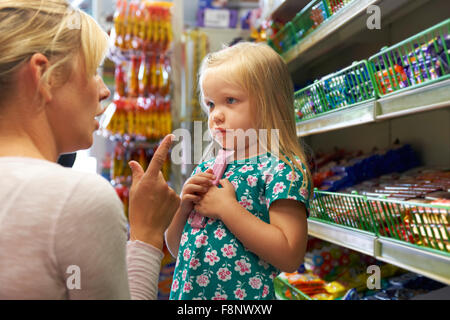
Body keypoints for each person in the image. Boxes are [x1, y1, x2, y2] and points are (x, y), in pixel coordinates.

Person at [0, 0, 179, 299]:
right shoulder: (75, 200)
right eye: (93, 71)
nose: (104, 91)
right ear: (44, 76)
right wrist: (147, 235)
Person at [166, 42, 313, 300]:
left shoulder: (281, 170)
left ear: (270, 103)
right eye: (211, 104)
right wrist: (183, 208)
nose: (216, 116)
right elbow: (179, 250)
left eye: (230, 101)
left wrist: (227, 209)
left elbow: (289, 255)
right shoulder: (210, 167)